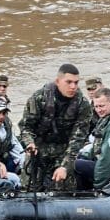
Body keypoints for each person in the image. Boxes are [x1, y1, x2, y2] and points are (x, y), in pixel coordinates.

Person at [18, 63, 93, 192]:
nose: (73, 87)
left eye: (76, 82)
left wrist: (65, 166)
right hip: (37, 150)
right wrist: (29, 142)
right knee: (29, 190)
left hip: (63, 152)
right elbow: (26, 127)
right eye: (69, 82)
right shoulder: (39, 98)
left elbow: (77, 139)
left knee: (64, 190)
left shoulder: (82, 104)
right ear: (58, 81)